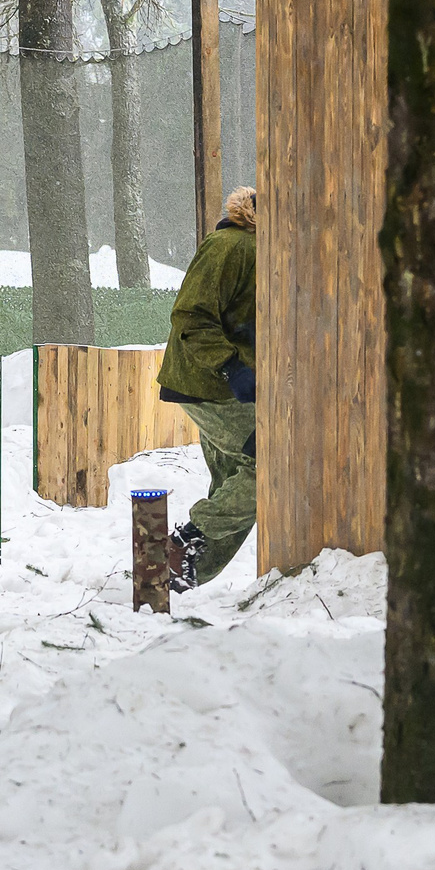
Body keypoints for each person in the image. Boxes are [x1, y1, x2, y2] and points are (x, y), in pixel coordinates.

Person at [154, 185, 258, 590]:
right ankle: (185, 540)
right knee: (271, 465)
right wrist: (231, 366)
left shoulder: (260, 250)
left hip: (222, 383)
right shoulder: (229, 246)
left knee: (234, 483)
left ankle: (171, 577)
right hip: (208, 383)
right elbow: (190, 316)